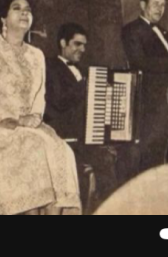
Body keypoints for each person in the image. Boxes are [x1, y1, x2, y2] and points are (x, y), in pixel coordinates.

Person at [0, 0, 81, 215]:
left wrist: (35, 116)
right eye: (16, 8)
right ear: (3, 17)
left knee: (62, 150)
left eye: (28, 9)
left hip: (27, 126)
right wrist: (15, 120)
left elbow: (39, 96)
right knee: (32, 147)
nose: (24, 13)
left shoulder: (36, 55)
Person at [42, 22, 118, 205]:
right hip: (64, 138)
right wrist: (86, 85)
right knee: (100, 164)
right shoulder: (49, 66)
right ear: (63, 43)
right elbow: (58, 101)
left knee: (118, 158)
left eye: (84, 45)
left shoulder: (83, 70)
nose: (82, 49)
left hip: (86, 138)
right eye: (77, 44)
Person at [121, 0, 168, 174]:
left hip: (167, 105)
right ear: (142, 5)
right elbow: (140, 62)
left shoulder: (163, 32)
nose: (160, 9)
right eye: (155, 4)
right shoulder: (132, 30)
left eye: (163, 5)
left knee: (166, 157)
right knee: (151, 159)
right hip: (149, 107)